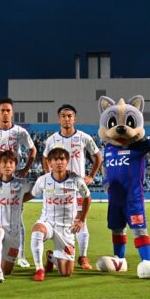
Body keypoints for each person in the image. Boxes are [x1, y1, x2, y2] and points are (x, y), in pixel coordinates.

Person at [41, 104, 101, 270]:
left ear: (74, 118)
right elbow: (45, 158)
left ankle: (83, 257)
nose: (67, 119)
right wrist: (48, 177)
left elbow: (98, 157)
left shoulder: (83, 137)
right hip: (59, 189)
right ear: (59, 119)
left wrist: (91, 176)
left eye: (70, 116)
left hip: (77, 187)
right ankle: (56, 255)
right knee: (58, 223)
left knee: (81, 221)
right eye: (63, 116)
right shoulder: (52, 139)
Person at [0, 97, 37, 268]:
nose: (5, 113)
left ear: (12, 113)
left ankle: (21, 255)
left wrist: (25, 169)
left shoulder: (20, 132)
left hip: (14, 180)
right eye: (2, 110)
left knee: (17, 218)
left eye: (8, 110)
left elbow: (32, 149)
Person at [31, 147, 91, 281]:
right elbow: (31, 194)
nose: (59, 162)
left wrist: (81, 219)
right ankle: (39, 269)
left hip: (66, 228)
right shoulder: (43, 180)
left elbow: (87, 197)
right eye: (55, 159)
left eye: (62, 159)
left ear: (67, 161)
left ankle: (51, 257)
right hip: (48, 222)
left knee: (66, 273)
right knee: (37, 230)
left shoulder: (76, 180)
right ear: (49, 162)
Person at [0, 150, 34, 283]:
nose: (7, 165)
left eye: (11, 162)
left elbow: (33, 193)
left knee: (7, 270)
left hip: (14, 230)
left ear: (15, 165)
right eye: (4, 162)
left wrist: (19, 201)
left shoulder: (22, 183)